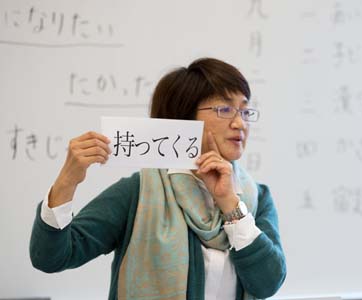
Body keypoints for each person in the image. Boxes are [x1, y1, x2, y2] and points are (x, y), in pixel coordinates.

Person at [30, 57, 286, 300]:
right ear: (185, 115)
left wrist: (229, 203)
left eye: (245, 110)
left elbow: (268, 282)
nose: (240, 123)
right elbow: (51, 257)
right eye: (225, 109)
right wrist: (67, 181)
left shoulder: (256, 197)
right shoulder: (140, 192)